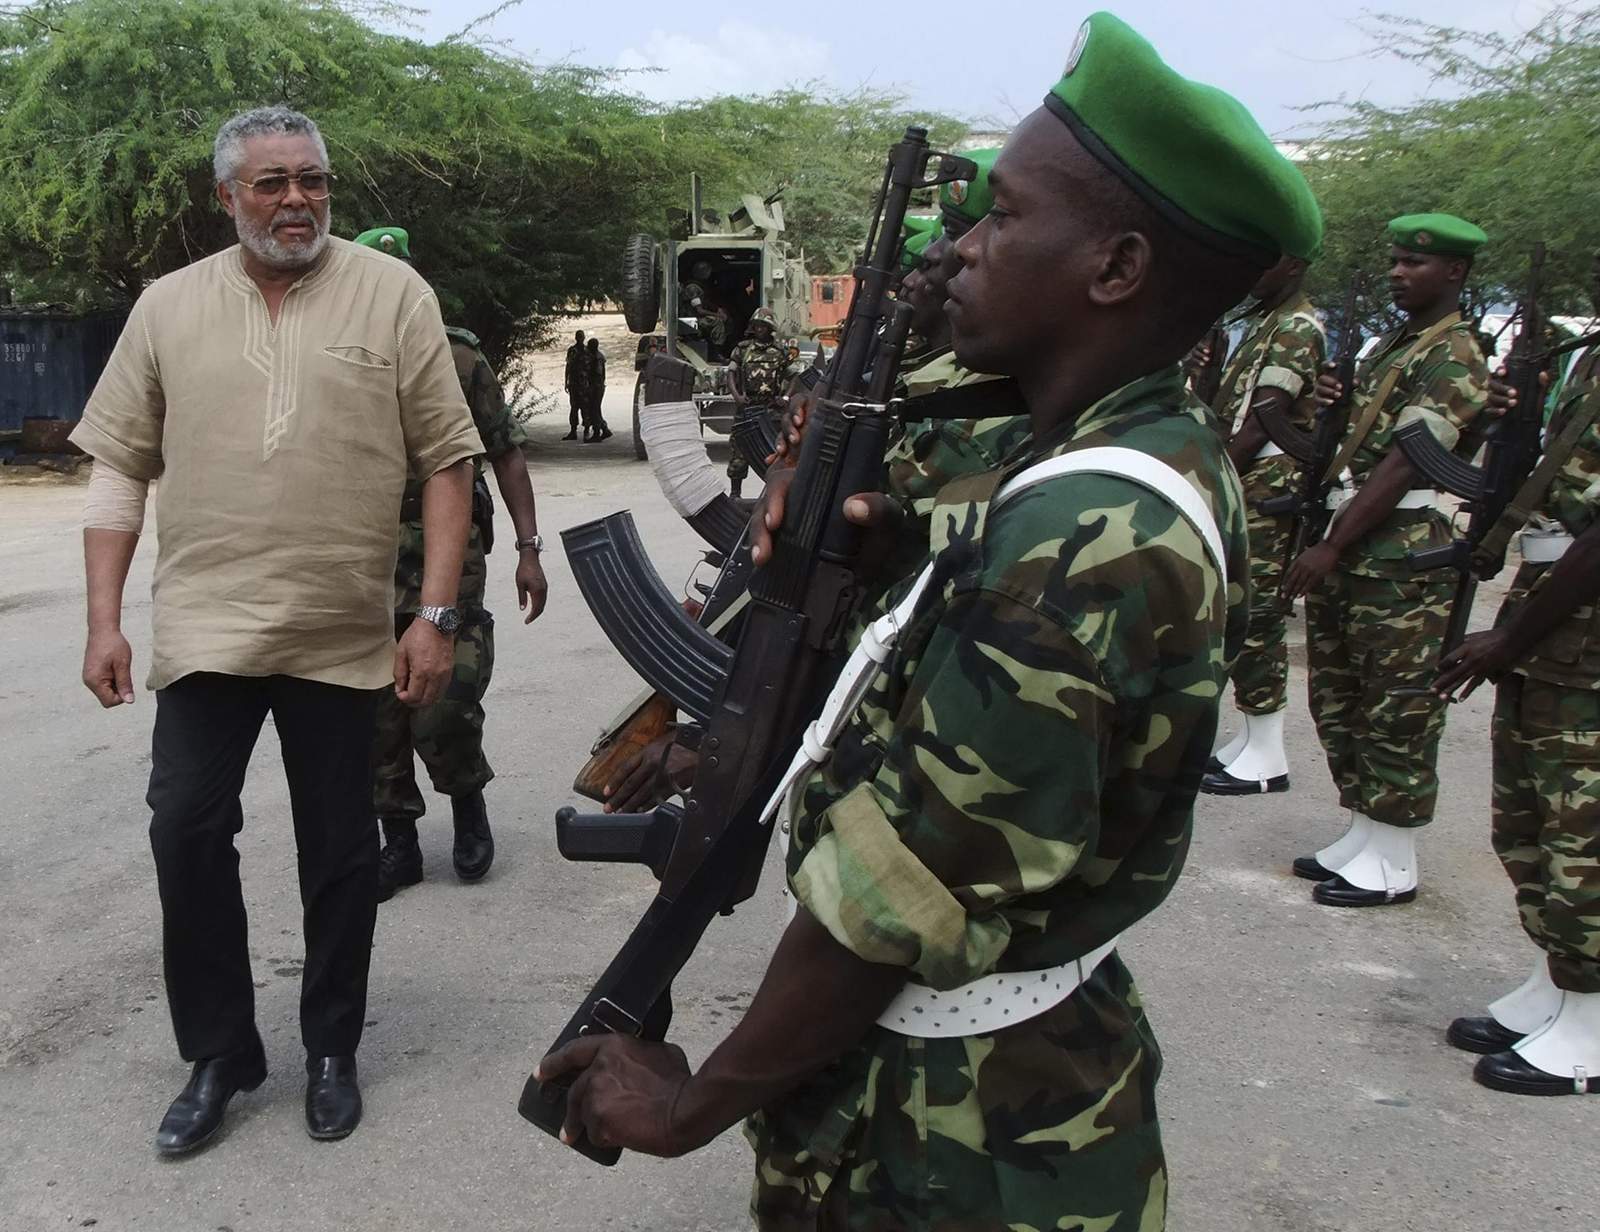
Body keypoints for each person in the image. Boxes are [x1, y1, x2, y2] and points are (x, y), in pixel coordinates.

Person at [538, 15, 1322, 1228]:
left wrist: (689, 1107)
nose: (955, 251)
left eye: (1000, 217)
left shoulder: (1077, 541)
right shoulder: (1129, 452)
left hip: (953, 1135)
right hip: (989, 1080)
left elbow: (884, 905)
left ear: (1115, 269)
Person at [71, 106, 481, 1153]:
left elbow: (445, 458)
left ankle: (332, 1047)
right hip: (208, 623)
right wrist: (103, 620)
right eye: (271, 183)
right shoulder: (167, 307)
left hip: (343, 625)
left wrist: (433, 613)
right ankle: (220, 1051)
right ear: (227, 197)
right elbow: (120, 461)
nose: (296, 199)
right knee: (185, 826)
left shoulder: (394, 295)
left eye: (313, 180)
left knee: (340, 849)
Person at [1283, 213, 1490, 907]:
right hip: (1358, 541)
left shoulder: (1454, 354)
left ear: (1454, 273)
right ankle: (1365, 828)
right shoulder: (1392, 348)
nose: (1399, 272)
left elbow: (1407, 461)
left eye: (1415, 264)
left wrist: (1334, 543)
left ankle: (1394, 856)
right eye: (1397, 260)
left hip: (1402, 555)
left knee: (1397, 707)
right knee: (1341, 695)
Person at [1435, 253, 1600, 1096]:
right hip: (1553, 617)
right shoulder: (1589, 355)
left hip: (1582, 638)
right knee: (1526, 818)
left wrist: (1508, 638)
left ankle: (1593, 1024)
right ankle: (1561, 983)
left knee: (1586, 838)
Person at [352, 226, 551, 902]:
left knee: (444, 701)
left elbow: (506, 453)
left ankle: (467, 803)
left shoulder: (459, 358)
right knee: (374, 709)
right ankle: (399, 843)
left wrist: (529, 550)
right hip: (364, 557)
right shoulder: (340, 356)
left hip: (448, 551)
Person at [1201, 254, 1325, 795]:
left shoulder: (1297, 328)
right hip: (1251, 486)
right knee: (1240, 615)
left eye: (1265, 261)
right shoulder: (1265, 324)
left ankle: (1268, 750)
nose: (1254, 271)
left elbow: (1263, 419)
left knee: (1258, 619)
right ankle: (1253, 739)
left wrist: (1214, 483)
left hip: (1265, 490)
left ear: (1293, 267)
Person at [726, 307, 786, 497]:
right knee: (739, 455)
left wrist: (784, 397)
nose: (760, 329)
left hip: (771, 410)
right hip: (747, 408)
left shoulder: (779, 351)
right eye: (757, 326)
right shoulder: (743, 349)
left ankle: (772, 495)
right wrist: (737, 397)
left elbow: (793, 376)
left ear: (770, 328)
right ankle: (735, 494)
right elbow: (731, 374)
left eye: (764, 326)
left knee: (773, 455)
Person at [584, 336, 613, 441]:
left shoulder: (595, 358)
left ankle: (597, 433)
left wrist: (591, 385)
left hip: (595, 386)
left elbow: (597, 373)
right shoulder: (599, 356)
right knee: (596, 409)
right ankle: (604, 429)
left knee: (594, 410)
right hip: (599, 385)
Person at [564, 330, 588, 441]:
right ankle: (574, 431)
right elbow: (568, 366)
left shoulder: (586, 351)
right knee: (575, 407)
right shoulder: (573, 350)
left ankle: (585, 430)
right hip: (576, 383)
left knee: (583, 407)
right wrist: (566, 381)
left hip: (583, 383)